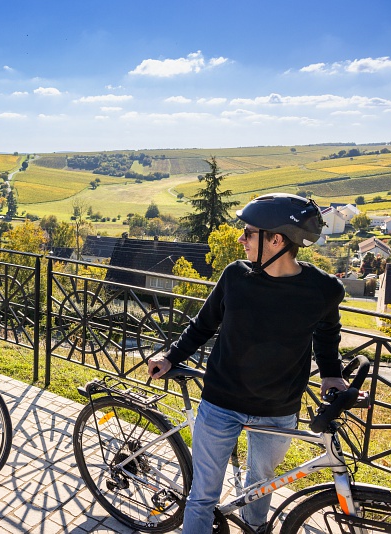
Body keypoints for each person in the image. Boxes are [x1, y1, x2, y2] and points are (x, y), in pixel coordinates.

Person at [148, 193, 346, 533]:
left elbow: (327, 335)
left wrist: (331, 375)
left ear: (276, 239)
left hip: (278, 409)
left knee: (260, 486)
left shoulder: (324, 289)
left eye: (248, 231)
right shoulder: (235, 276)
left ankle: (255, 530)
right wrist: (170, 356)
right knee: (203, 496)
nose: (241, 238)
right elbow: (203, 324)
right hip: (221, 403)